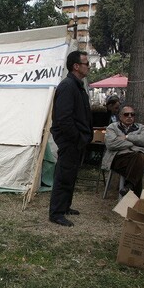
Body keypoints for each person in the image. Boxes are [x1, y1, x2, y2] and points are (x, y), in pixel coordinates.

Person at [48, 50, 92, 227]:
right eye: (86, 63)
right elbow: (63, 118)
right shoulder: (67, 86)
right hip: (70, 140)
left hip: (77, 140)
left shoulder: (77, 85)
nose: (89, 66)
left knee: (71, 175)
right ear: (76, 66)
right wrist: (76, 137)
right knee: (63, 176)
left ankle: (65, 206)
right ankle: (56, 213)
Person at [102, 105, 144, 197]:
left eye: (132, 114)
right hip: (119, 157)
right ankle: (132, 192)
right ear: (120, 116)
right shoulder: (112, 127)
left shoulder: (141, 127)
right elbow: (111, 144)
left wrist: (127, 137)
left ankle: (129, 187)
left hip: (138, 157)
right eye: (126, 114)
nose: (129, 116)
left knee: (139, 157)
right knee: (138, 164)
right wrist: (134, 144)